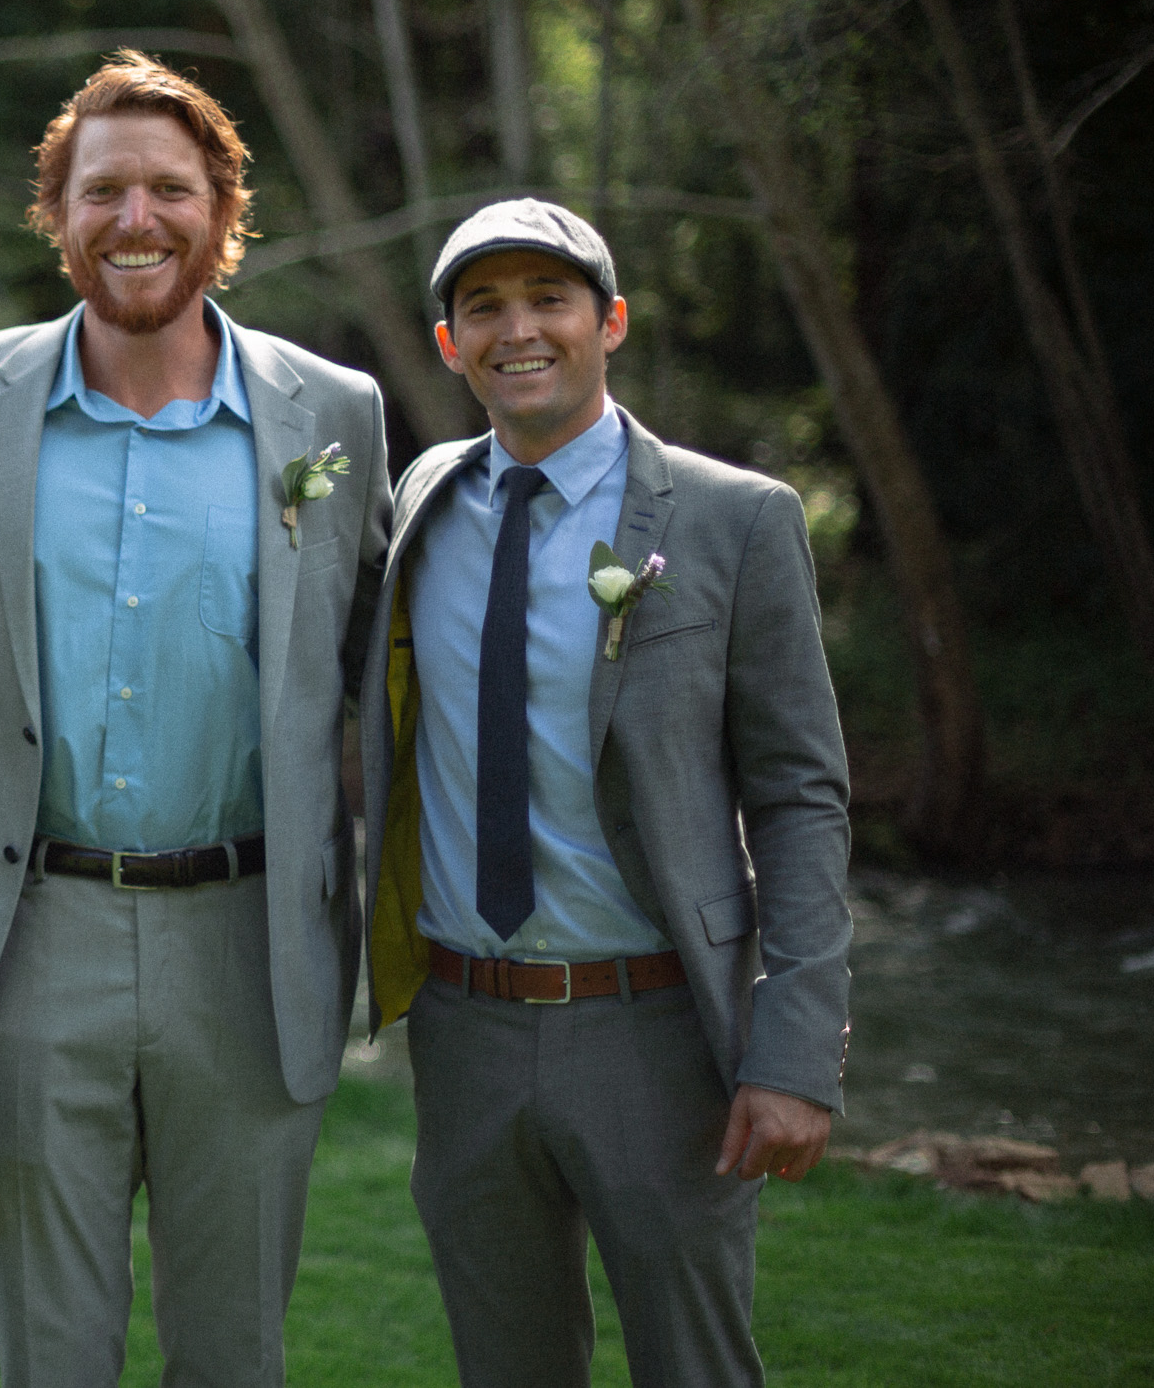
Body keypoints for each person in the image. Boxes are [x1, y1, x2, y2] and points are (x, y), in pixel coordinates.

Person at [0, 52, 391, 1387]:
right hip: (32, 933)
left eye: (172, 187)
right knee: (54, 1354)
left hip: (254, 934)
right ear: (56, 210)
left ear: (227, 209)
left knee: (236, 1352)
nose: (137, 217)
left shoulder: (332, 416)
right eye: (103, 188)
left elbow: (394, 672)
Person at [360, 198, 852, 1387]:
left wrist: (793, 1049)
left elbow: (799, 796)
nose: (517, 329)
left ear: (609, 321)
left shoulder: (734, 518)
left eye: (548, 300)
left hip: (657, 1030)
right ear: (448, 344)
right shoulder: (419, 500)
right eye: (485, 308)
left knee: (695, 1367)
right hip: (464, 1024)